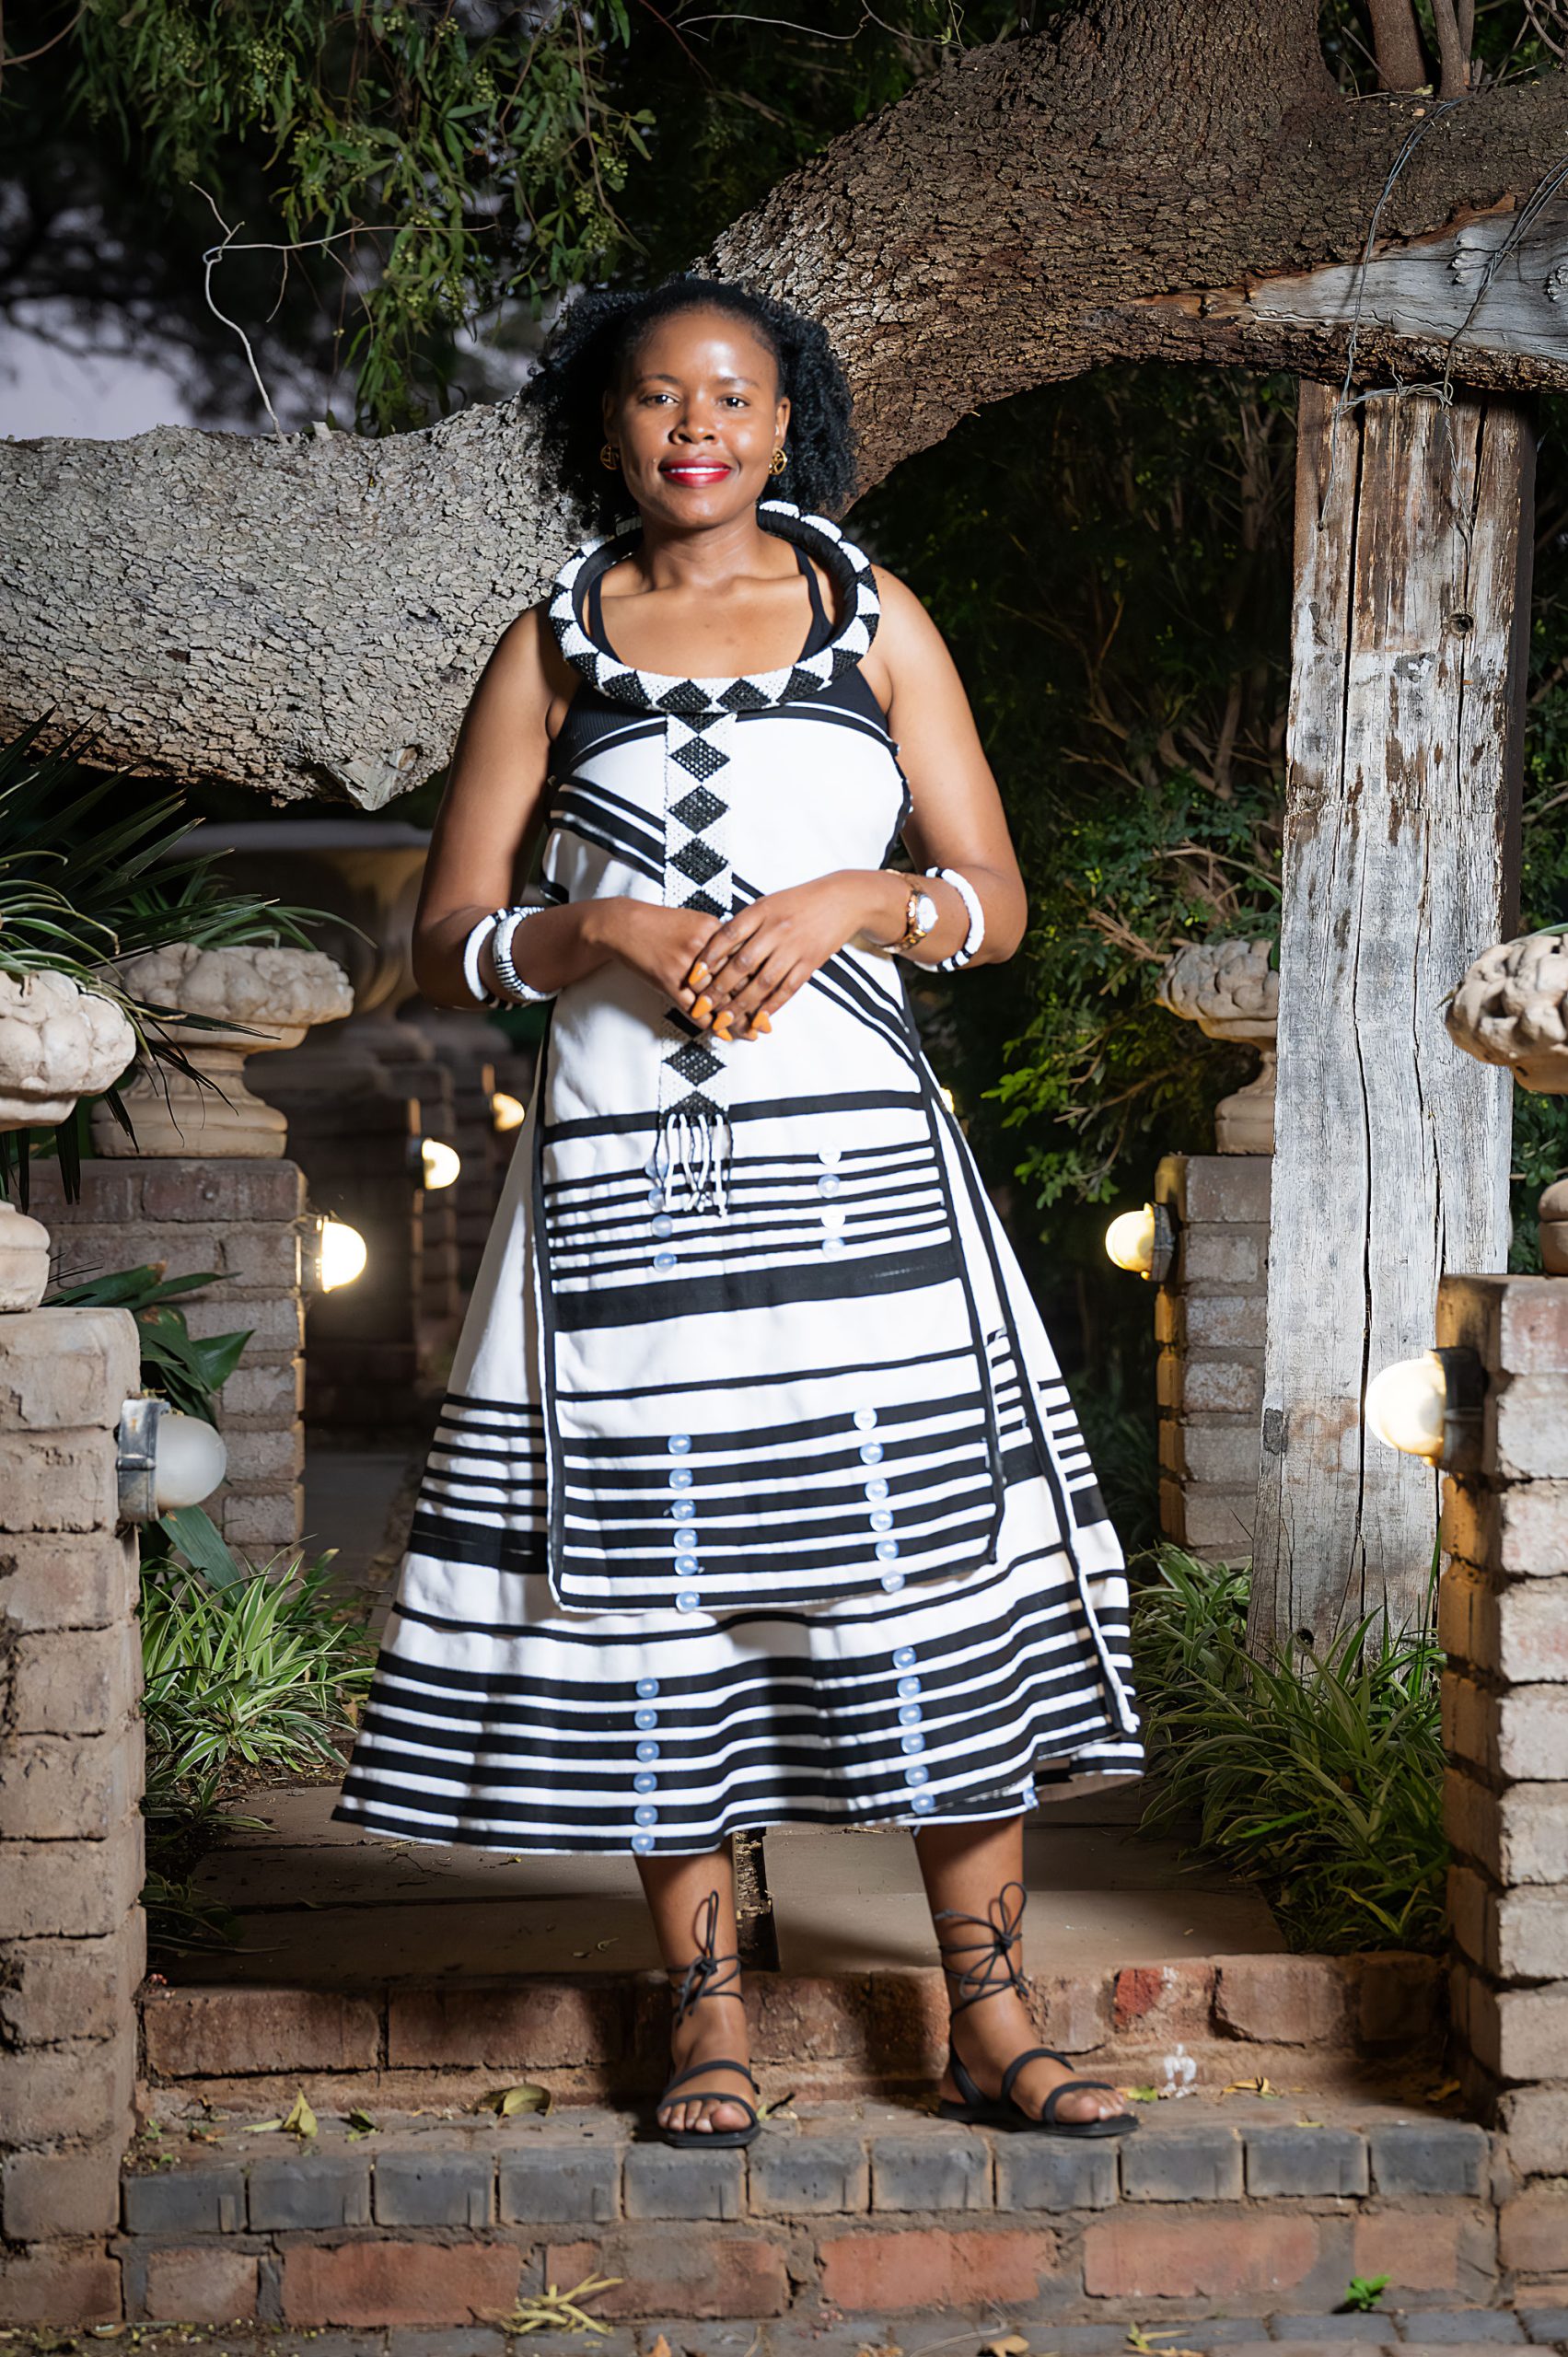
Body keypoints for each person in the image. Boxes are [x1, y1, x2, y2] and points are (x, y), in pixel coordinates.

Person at [335, 277, 1142, 2148]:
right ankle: (707, 2021)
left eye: (733, 396)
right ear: (608, 425)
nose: (694, 424)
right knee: (658, 1590)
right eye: (656, 395)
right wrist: (595, 926)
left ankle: (988, 2015)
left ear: (789, 425)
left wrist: (864, 900)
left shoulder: (877, 618)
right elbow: (446, 940)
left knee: (923, 1562)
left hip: (861, 1173)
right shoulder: (550, 643)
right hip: (631, 1180)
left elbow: (996, 898)